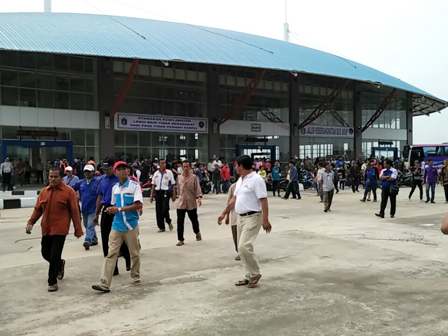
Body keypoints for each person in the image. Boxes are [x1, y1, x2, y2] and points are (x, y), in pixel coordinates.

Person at [217, 155, 272, 288]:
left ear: (241, 166)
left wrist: (265, 219)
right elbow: (234, 199)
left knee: (244, 245)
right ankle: (248, 276)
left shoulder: (256, 180)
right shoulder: (241, 180)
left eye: (236, 165)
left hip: (253, 217)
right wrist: (224, 213)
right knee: (241, 250)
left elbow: (263, 200)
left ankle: (255, 273)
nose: (234, 167)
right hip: (241, 217)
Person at [26, 167, 83, 292]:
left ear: (61, 177)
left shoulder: (69, 192)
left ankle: (52, 281)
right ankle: (59, 264)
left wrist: (78, 229)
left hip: (60, 229)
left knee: (54, 255)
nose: (52, 179)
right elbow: (38, 209)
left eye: (55, 176)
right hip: (46, 228)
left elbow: (75, 211)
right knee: (45, 253)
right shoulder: (44, 192)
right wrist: (30, 223)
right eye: (51, 176)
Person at [92, 161, 143, 293]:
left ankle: (135, 276)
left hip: (131, 225)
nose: (122, 171)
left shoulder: (134, 186)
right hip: (117, 225)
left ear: (128, 171)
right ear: (115, 173)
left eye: (124, 169)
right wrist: (110, 209)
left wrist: (119, 209)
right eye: (119, 169)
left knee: (134, 253)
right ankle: (104, 283)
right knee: (111, 253)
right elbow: (114, 205)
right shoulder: (115, 188)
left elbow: (138, 205)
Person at [94, 158, 131, 275]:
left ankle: (127, 256)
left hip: (119, 211)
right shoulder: (102, 180)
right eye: (104, 169)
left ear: (113, 168)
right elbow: (100, 197)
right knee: (106, 240)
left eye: (108, 169)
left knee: (122, 238)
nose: (106, 171)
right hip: (106, 210)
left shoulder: (120, 179)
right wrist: (96, 214)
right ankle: (112, 268)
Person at [72, 164, 101, 250]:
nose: (87, 173)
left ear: (93, 172)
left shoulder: (98, 181)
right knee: (86, 225)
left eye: (89, 172)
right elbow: (70, 188)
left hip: (94, 209)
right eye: (85, 172)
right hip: (84, 208)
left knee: (90, 226)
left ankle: (87, 241)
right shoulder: (81, 182)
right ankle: (94, 239)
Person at [176, 160, 203, 246]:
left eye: (187, 166)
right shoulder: (179, 178)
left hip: (191, 203)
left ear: (190, 167)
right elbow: (178, 190)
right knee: (180, 222)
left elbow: (198, 189)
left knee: (194, 220)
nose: (185, 168)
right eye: (184, 167)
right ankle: (180, 239)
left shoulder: (194, 178)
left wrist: (199, 198)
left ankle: (197, 232)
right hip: (181, 203)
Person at [150, 159, 176, 232]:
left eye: (164, 163)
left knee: (165, 209)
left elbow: (173, 184)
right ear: (159, 164)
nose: (163, 164)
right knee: (158, 210)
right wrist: (151, 195)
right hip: (158, 192)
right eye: (162, 163)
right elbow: (153, 185)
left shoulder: (169, 172)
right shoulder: (156, 174)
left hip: (165, 192)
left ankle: (168, 221)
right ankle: (161, 227)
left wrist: (174, 194)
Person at [225, 175, 240, 261]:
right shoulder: (233, 187)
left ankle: (244, 252)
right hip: (234, 216)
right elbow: (229, 203)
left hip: (245, 217)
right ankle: (239, 252)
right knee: (236, 236)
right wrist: (227, 216)